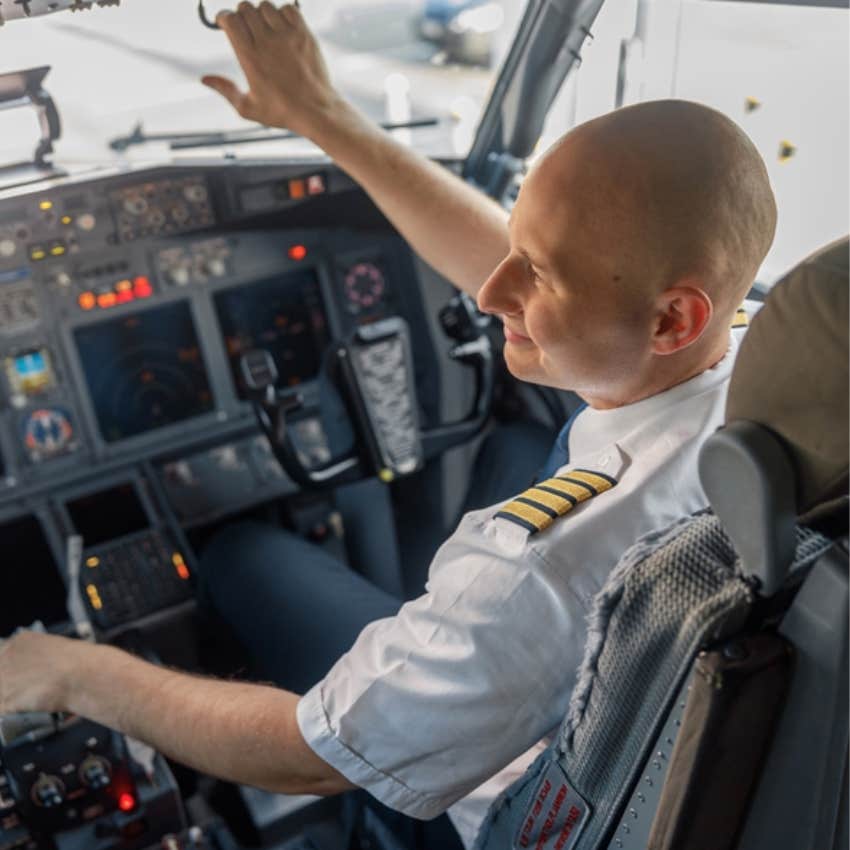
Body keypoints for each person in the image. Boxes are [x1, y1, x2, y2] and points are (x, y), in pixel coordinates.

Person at [0, 3, 778, 848]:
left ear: (673, 319)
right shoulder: (763, 372)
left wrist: (74, 672)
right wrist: (318, 116)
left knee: (238, 557)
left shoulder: (537, 571)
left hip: (495, 811)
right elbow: (535, 272)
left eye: (538, 275)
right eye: (515, 243)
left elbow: (311, 755)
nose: (489, 294)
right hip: (663, 770)